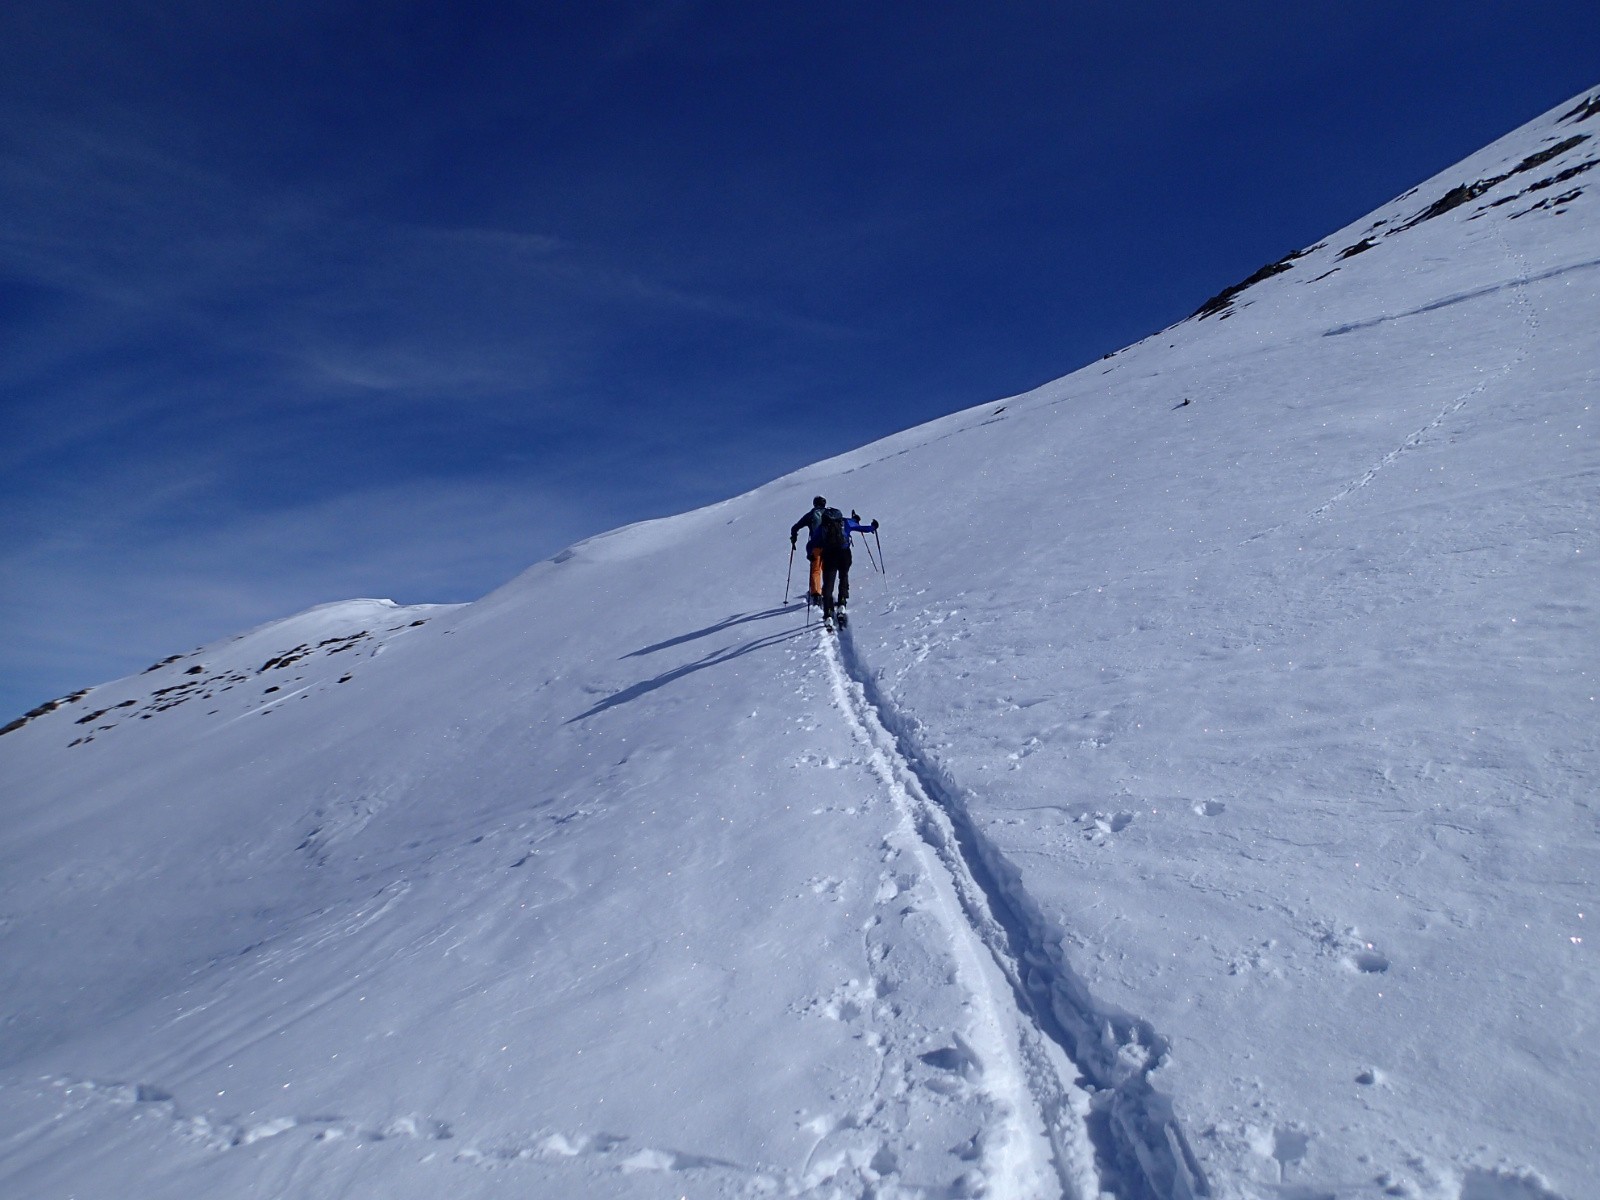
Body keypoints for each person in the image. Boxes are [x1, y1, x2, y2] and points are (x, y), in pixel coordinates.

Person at [789, 497, 877, 623]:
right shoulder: (841, 520)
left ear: (814, 504)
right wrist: (872, 526)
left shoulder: (813, 518)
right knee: (843, 575)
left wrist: (807, 551)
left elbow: (800, 532)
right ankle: (842, 601)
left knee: (819, 574)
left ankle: (819, 599)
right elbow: (861, 527)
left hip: (823, 550)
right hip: (842, 552)